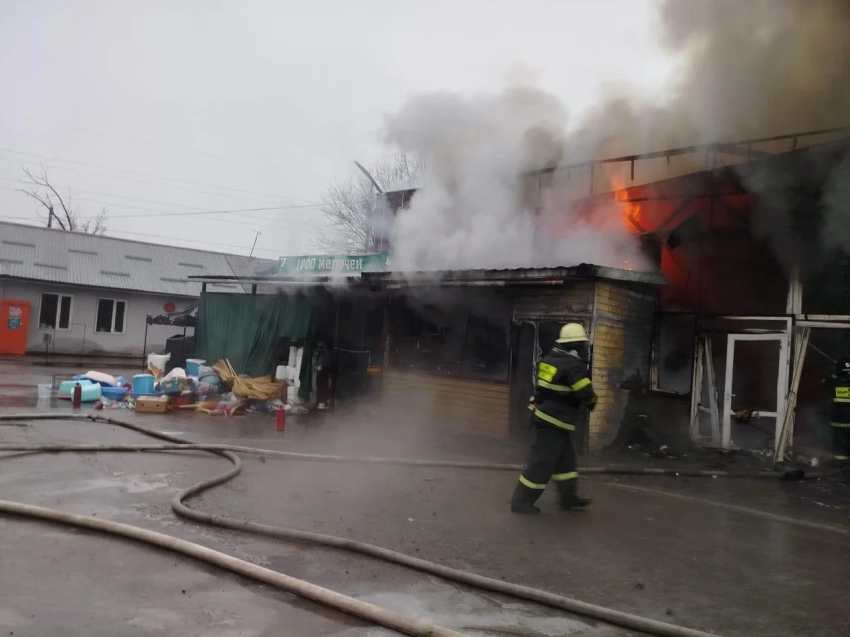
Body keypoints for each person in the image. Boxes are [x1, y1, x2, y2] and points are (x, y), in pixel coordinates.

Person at [510, 323, 597, 514]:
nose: (583, 348)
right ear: (574, 345)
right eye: (581, 345)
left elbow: (542, 389)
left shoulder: (548, 360)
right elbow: (585, 393)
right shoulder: (573, 366)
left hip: (552, 419)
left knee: (566, 462)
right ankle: (521, 502)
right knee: (541, 463)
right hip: (554, 421)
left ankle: (568, 498)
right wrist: (592, 401)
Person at [827, 357, 850, 464]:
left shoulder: (834, 382)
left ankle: (839, 465)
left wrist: (833, 374)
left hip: (838, 420)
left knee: (839, 444)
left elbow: (825, 383)